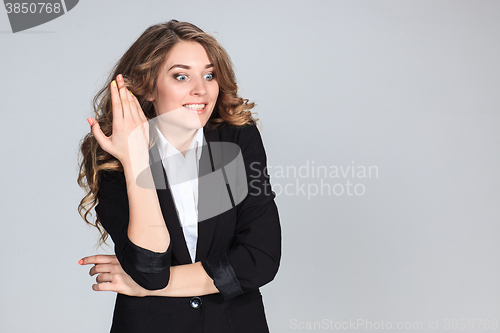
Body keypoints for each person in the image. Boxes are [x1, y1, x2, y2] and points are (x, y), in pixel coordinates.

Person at [77, 20, 281, 333]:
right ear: (147, 86)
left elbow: (260, 259)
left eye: (209, 75)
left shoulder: (239, 139)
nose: (201, 89)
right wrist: (135, 160)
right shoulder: (114, 155)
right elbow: (150, 267)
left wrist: (149, 286)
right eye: (181, 76)